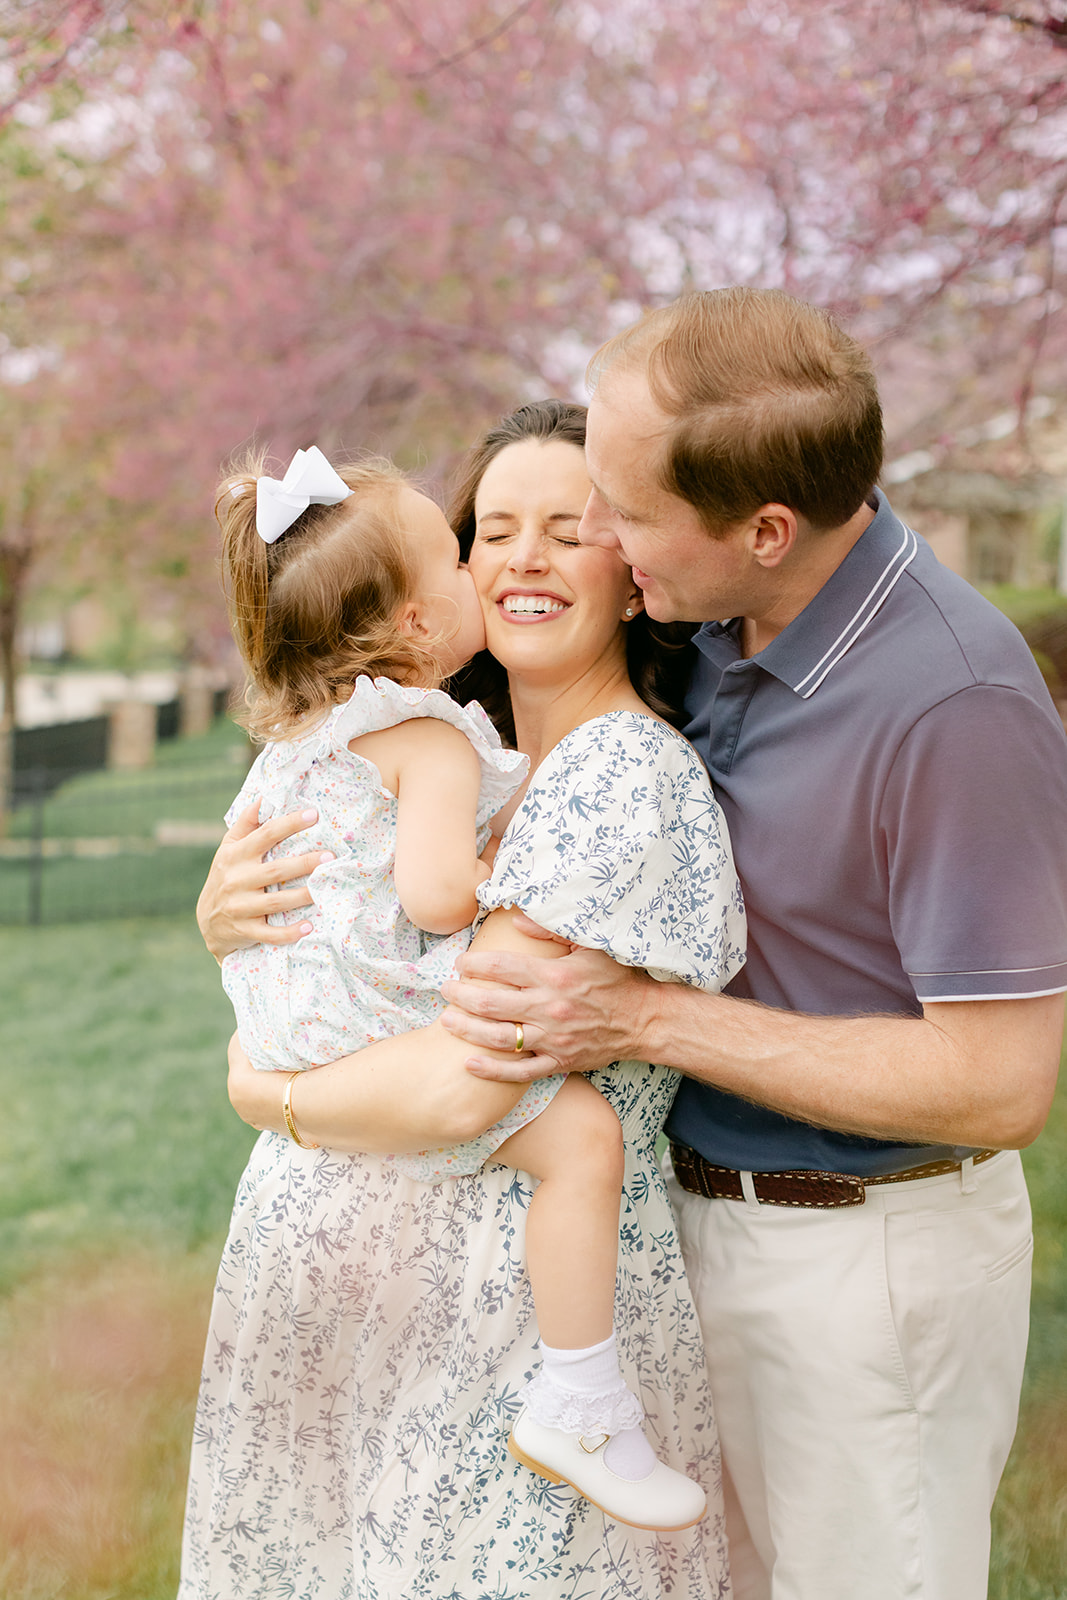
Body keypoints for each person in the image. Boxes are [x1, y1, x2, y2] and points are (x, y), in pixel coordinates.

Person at [429, 290, 1067, 1600]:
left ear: (763, 530)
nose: (598, 537)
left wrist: (644, 1022)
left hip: (860, 1272)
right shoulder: (712, 626)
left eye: (622, 508)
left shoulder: (956, 708)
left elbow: (1001, 1089)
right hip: (680, 1230)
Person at [183, 400, 745, 1598]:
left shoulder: (617, 772)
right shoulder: (437, 746)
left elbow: (460, 1082)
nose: (523, 557)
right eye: (491, 529)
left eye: (566, 526)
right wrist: (217, 916)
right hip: (354, 1312)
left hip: (505, 1337)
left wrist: (260, 1085)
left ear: (635, 569)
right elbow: (327, 937)